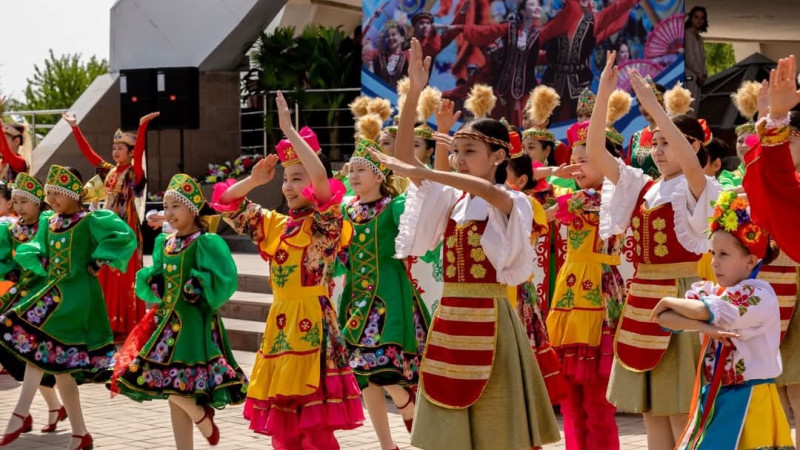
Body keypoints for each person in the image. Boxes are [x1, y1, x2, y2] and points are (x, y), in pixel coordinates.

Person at [373, 37, 560, 450]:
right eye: (455, 151)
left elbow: (482, 190)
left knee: (497, 429)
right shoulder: (453, 201)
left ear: (499, 157)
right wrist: (413, 94)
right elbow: (407, 158)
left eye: (468, 151)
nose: (458, 159)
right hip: (450, 318)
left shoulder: (511, 200)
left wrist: (428, 172)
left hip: (492, 320)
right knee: (451, 426)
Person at [210, 92, 363, 449]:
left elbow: (321, 181)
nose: (289, 186)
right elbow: (227, 203)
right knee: (284, 424)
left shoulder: (325, 224)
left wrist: (290, 133)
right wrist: (253, 181)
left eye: (297, 178)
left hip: (313, 322)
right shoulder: (275, 225)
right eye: (286, 179)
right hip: (280, 324)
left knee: (314, 426)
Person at [588, 52, 721, 450]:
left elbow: (691, 164)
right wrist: (603, 96)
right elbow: (596, 154)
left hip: (681, 296)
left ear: (692, 145)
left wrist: (654, 108)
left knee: (680, 408)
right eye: (655, 142)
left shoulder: (698, 187)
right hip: (643, 299)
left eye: (667, 142)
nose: (659, 150)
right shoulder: (642, 187)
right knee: (652, 412)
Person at [0, 165, 136, 450]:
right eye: (48, 194)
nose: (51, 199)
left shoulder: (88, 220)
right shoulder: (50, 222)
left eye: (56, 193)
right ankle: (80, 433)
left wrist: (99, 259)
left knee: (39, 343)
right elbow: (38, 248)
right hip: (54, 294)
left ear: (73, 194)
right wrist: (42, 259)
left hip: (77, 296)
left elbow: (122, 236)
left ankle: (20, 414)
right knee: (60, 370)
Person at [110, 173, 248, 449]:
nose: (169, 213)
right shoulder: (166, 243)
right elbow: (158, 274)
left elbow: (223, 278)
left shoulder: (204, 242)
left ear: (193, 209)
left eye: (176, 206)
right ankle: (196, 427)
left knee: (176, 385)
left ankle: (201, 417)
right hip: (166, 324)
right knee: (170, 388)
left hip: (193, 325)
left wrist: (200, 284)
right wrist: (156, 281)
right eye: (166, 207)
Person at [653, 191, 793, 449]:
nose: (714, 262)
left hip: (752, 399)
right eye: (713, 253)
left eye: (724, 255)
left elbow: (699, 310)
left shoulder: (759, 295)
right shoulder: (713, 292)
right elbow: (664, 318)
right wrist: (702, 327)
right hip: (717, 396)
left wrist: (670, 301)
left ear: (751, 260)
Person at [339, 113, 431, 450]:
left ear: (379, 175)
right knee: (365, 378)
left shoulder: (394, 207)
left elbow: (421, 220)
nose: (353, 176)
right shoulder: (345, 212)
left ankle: (407, 404)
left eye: (361, 169)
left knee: (381, 367)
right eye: (351, 170)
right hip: (355, 300)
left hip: (388, 298)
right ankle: (386, 445)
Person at [547, 116, 628, 450]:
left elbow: (539, 213)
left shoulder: (608, 196)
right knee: (571, 394)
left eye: (584, 160)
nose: (576, 168)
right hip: (570, 289)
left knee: (596, 396)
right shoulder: (579, 197)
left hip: (597, 289)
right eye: (574, 160)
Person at [63, 110, 159, 339]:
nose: (115, 151)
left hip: (125, 230)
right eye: (114, 148)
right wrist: (74, 127)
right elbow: (89, 153)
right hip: (107, 229)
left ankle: (125, 325)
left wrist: (142, 127)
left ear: (130, 152)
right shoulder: (109, 171)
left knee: (122, 275)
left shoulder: (134, 173)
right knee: (105, 272)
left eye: (120, 148)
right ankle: (105, 322)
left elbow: (140, 151)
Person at [0, 173, 67, 437]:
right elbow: (6, 262)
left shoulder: (49, 224)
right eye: (15, 201)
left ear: (39, 203)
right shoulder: (12, 229)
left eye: (24, 201)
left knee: (33, 351)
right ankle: (55, 408)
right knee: (22, 351)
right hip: (21, 293)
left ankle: (30, 412)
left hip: (47, 295)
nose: (19, 207)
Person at [627, 76, 666, 177]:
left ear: (662, 103)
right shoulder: (636, 137)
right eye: (640, 103)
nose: (643, 108)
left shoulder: (675, 132)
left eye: (647, 102)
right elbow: (629, 171)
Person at [685, 6, 708, 117]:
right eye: (696, 17)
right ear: (691, 18)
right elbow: (690, 57)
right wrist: (699, 73)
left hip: (699, 77)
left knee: (695, 107)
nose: (699, 20)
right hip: (690, 75)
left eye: (702, 18)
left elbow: (702, 59)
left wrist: (704, 74)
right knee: (689, 105)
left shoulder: (699, 37)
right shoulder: (687, 34)